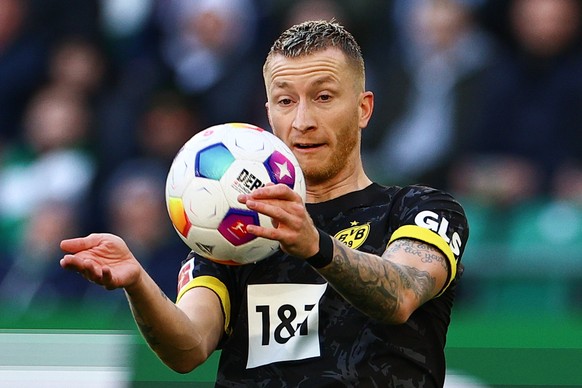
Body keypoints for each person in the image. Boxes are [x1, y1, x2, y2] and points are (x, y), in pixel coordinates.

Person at [60, 20, 469, 387]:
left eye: (323, 97)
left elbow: (402, 294)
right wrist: (138, 284)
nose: (303, 121)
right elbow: (188, 349)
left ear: (363, 109)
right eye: (286, 101)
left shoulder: (417, 209)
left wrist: (316, 246)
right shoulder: (234, 230)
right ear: (268, 112)